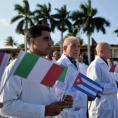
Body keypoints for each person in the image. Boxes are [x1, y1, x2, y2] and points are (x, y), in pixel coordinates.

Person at [0, 25, 73, 118]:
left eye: (50, 39)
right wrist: (44, 110)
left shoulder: (49, 66)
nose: (50, 43)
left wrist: (62, 101)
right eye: (46, 39)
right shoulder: (17, 66)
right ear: (32, 41)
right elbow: (6, 106)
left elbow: (47, 97)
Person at [56, 36, 88, 118]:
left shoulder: (77, 64)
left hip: (78, 110)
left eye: (78, 46)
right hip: (67, 113)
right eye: (73, 46)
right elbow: (58, 92)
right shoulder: (60, 65)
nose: (77, 49)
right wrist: (84, 96)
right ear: (65, 48)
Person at [87, 42, 118, 118]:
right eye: (109, 50)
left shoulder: (107, 64)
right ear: (101, 51)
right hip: (101, 109)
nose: (111, 52)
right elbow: (94, 88)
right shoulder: (95, 65)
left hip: (110, 106)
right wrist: (115, 84)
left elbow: (112, 79)